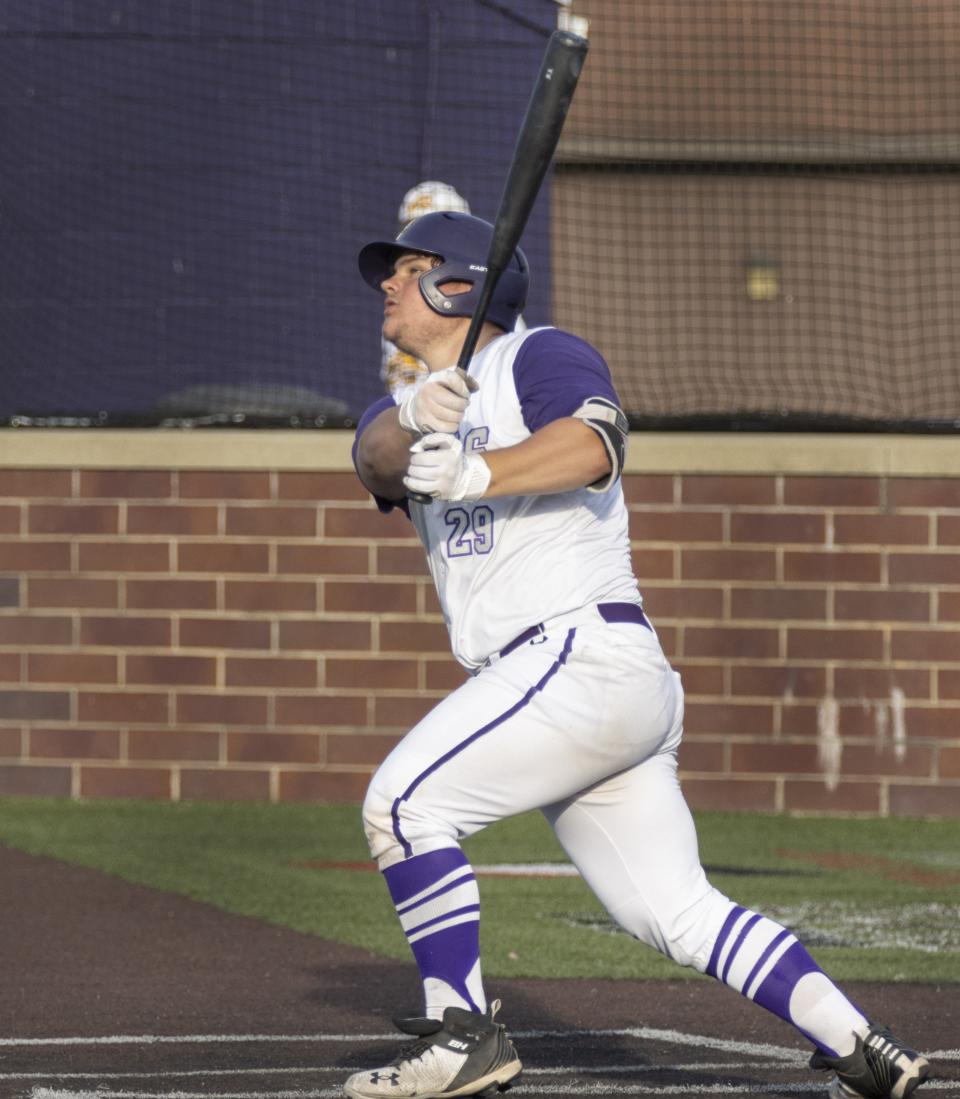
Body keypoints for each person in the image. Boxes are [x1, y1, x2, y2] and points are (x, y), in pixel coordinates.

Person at [345, 209, 931, 1099]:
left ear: (457, 282)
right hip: (584, 683)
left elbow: (595, 443)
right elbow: (372, 459)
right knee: (675, 912)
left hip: (574, 653)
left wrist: (476, 470)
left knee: (404, 802)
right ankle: (860, 1043)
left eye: (409, 266)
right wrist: (412, 410)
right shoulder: (424, 401)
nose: (388, 281)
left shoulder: (537, 355)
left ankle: (463, 1034)